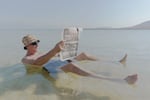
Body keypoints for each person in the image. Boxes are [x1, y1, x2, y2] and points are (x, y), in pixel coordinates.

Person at [21, 34, 138, 84]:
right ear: (26, 46)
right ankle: (120, 81)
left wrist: (62, 52)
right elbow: (37, 63)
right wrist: (54, 51)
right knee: (71, 66)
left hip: (55, 62)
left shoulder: (39, 52)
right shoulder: (26, 59)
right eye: (33, 43)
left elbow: (50, 56)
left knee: (83, 54)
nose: (36, 44)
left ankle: (116, 62)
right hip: (47, 70)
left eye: (37, 42)